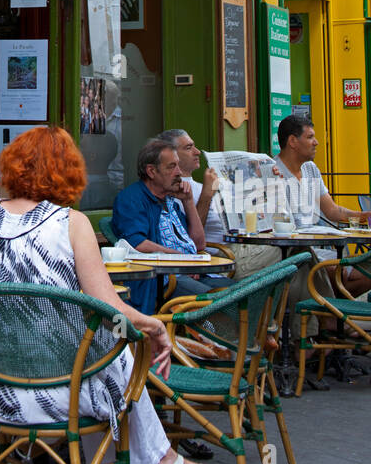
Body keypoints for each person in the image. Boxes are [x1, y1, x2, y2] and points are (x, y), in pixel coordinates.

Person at [0, 126, 213, 464]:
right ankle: (156, 462)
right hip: (63, 391)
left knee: (102, 363)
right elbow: (110, 309)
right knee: (115, 361)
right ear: (68, 170)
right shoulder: (70, 222)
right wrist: (152, 326)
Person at [111, 137, 224, 314]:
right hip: (164, 281)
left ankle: (241, 339)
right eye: (172, 167)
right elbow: (137, 243)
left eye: (178, 165)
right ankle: (216, 339)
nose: (179, 172)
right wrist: (183, 260)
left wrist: (188, 202)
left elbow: (199, 244)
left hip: (193, 272)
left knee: (247, 292)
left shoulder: (171, 200)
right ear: (151, 171)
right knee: (221, 304)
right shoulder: (131, 199)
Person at [155, 128, 281, 282]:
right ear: (171, 155)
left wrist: (268, 181)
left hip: (241, 244)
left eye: (194, 146)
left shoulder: (199, 185)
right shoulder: (176, 190)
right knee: (282, 252)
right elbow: (188, 240)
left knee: (297, 253)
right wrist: (207, 195)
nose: (197, 152)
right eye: (188, 148)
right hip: (220, 254)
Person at [276, 114, 371, 300]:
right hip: (294, 252)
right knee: (343, 274)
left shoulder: (310, 168)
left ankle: (333, 317)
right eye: (310, 137)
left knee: (350, 274)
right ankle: (334, 318)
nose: (316, 142)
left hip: (322, 246)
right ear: (293, 141)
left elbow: (333, 211)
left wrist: (365, 216)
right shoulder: (274, 171)